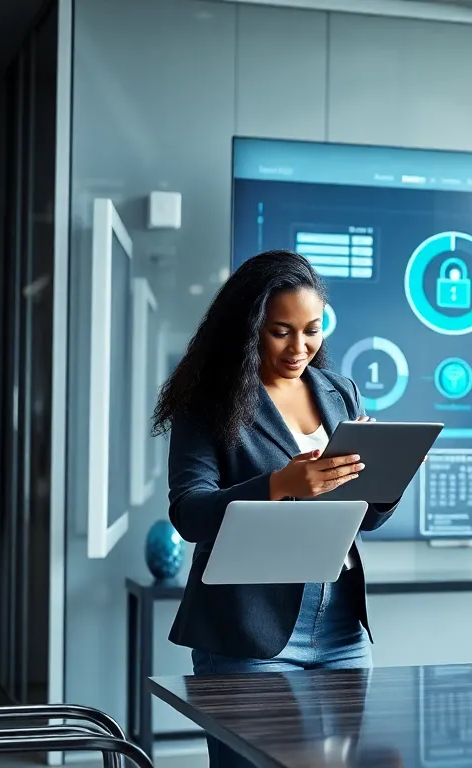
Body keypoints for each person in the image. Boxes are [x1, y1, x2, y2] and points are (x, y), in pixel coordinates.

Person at [151, 249, 397, 767]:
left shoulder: (340, 393)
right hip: (248, 630)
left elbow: (367, 517)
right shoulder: (210, 402)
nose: (300, 347)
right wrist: (280, 484)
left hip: (341, 627)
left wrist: (382, 475)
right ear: (249, 328)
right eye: (281, 331)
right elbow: (189, 512)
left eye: (312, 330)